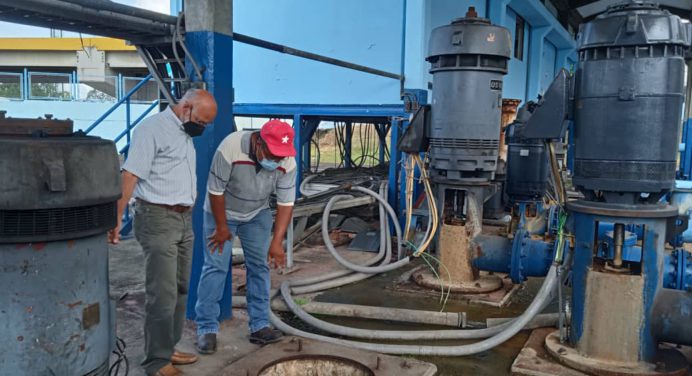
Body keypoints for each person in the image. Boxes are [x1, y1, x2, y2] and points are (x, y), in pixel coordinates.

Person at [109, 89, 218, 376]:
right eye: (202, 121)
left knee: (182, 287)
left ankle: (167, 347)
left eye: (207, 124)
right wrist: (117, 217)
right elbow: (130, 174)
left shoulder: (184, 132)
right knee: (162, 292)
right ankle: (156, 361)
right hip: (157, 217)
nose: (203, 128)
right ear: (186, 107)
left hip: (183, 219)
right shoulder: (152, 129)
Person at [194, 119, 296, 354]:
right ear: (258, 142)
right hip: (221, 212)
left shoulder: (287, 159)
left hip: (257, 214)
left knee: (259, 267)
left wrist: (277, 242)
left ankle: (259, 325)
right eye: (272, 155)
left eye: (281, 156)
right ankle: (206, 328)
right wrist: (221, 228)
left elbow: (286, 203)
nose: (277, 160)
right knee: (216, 267)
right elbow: (215, 192)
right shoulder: (230, 146)